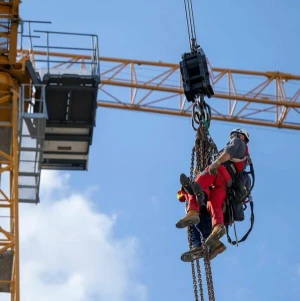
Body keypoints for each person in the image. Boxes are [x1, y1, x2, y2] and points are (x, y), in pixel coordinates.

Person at [175, 128, 250, 250]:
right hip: (225, 183)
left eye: (234, 135)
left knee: (198, 182)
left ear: (241, 136)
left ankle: (193, 211)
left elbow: (229, 151)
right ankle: (218, 227)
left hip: (220, 171)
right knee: (213, 204)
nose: (232, 138)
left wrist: (216, 162)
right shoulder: (244, 160)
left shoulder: (237, 142)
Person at [177, 187, 227, 262]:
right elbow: (180, 198)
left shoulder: (207, 179)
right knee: (192, 223)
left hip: (209, 205)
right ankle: (208, 245)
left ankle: (213, 244)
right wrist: (184, 188)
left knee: (198, 219)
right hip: (204, 206)